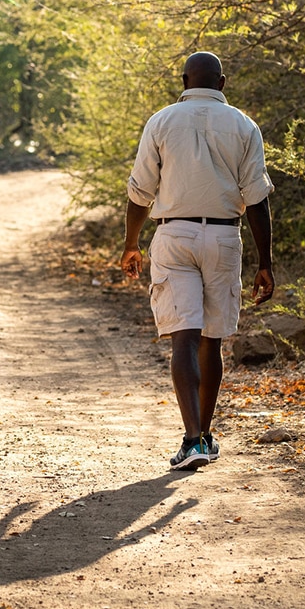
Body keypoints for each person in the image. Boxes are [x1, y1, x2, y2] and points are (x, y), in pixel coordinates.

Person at [123, 51, 274, 471]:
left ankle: (193, 440)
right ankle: (204, 435)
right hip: (225, 235)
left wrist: (131, 243)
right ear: (222, 83)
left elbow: (140, 191)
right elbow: (258, 201)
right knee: (212, 340)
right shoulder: (244, 125)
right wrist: (266, 263)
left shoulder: (162, 121)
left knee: (183, 337)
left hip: (174, 234)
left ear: (184, 81)